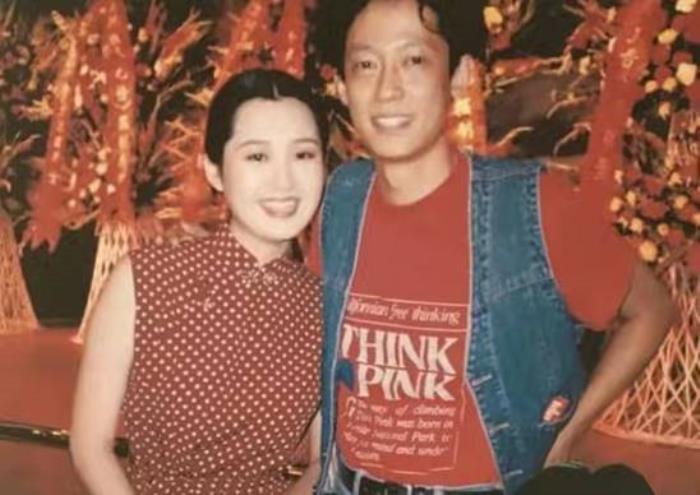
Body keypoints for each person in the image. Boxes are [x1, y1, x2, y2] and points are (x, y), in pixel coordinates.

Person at [306, 1, 676, 494]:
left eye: (413, 60)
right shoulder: (341, 200)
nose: (387, 89)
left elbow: (650, 310)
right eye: (366, 65)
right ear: (341, 86)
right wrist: (316, 465)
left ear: (459, 76)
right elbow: (327, 353)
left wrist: (568, 435)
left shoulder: (528, 206)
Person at [70, 68, 327, 494]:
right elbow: (90, 447)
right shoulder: (146, 279)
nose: (284, 181)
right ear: (214, 170)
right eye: (257, 157)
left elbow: (322, 461)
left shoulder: (323, 305)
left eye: (303, 154)